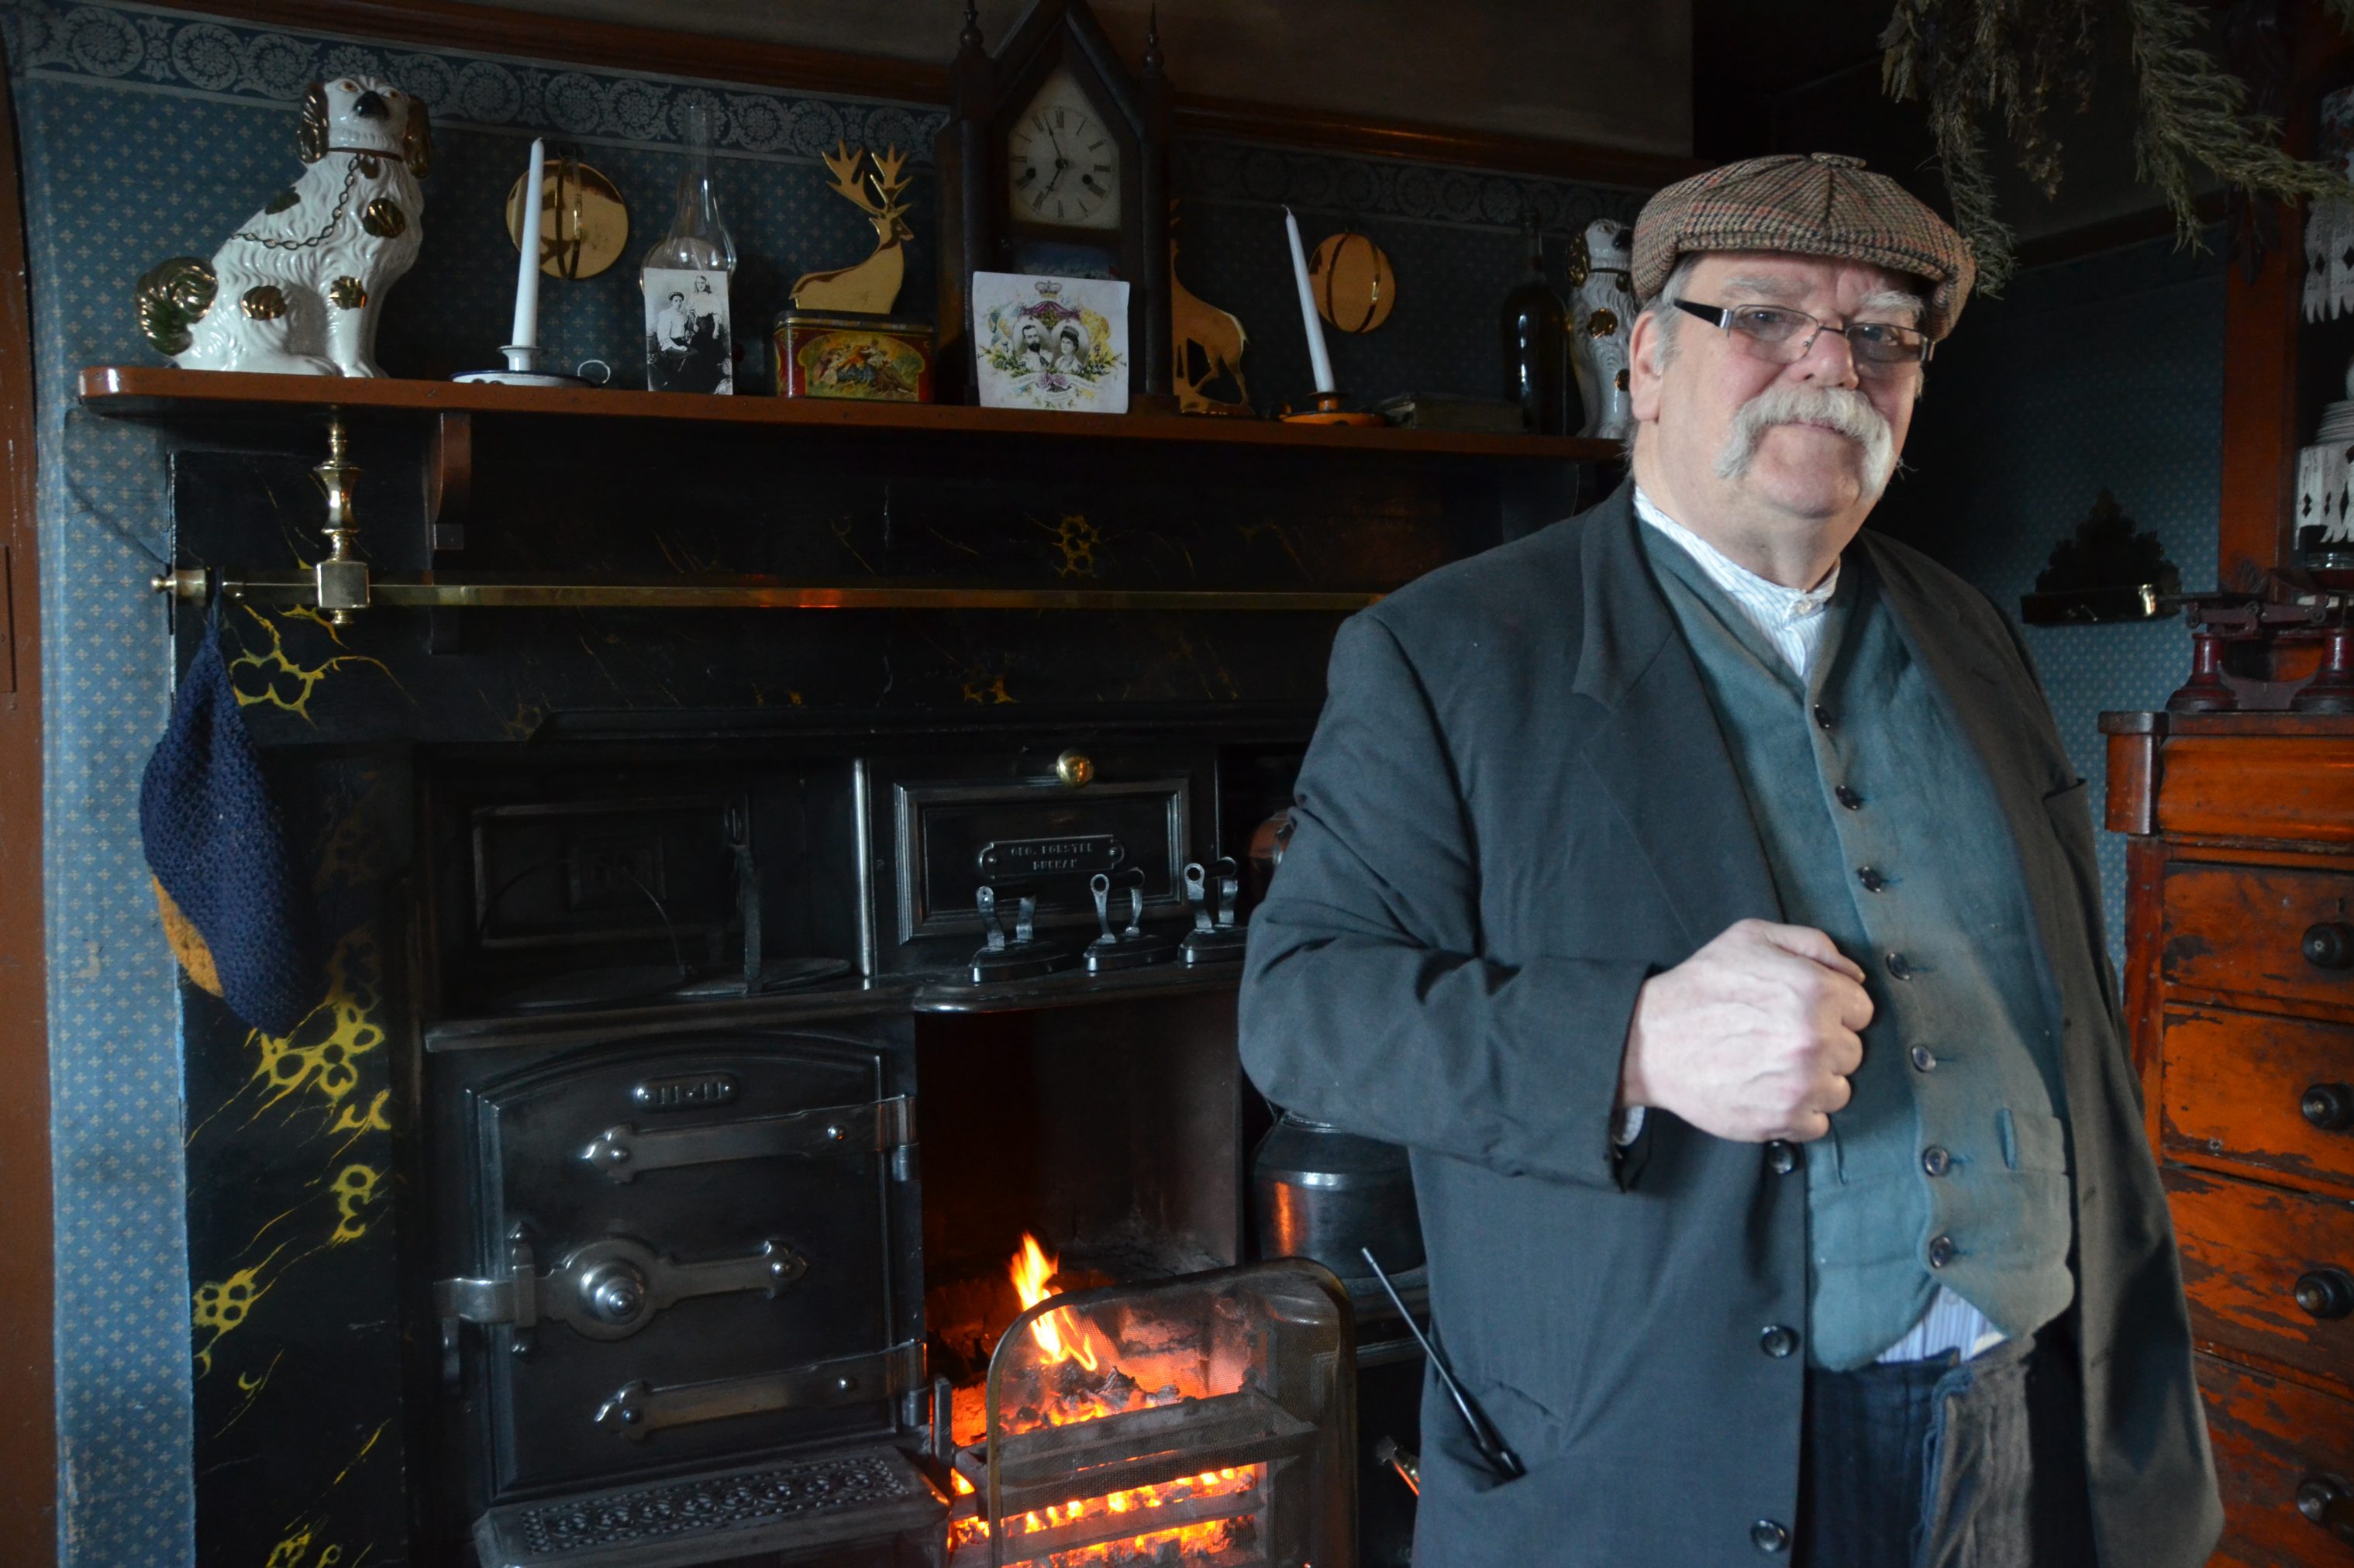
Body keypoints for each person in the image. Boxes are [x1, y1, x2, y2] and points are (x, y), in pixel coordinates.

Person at [1239, 153, 2219, 1566]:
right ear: (1643, 359)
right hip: (1671, 1458)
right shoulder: (1446, 651)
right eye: (1760, 316)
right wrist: (1629, 1043)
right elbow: (1302, 1014)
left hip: (2021, 1425)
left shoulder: (1973, 635)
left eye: (1881, 335)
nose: (1828, 364)